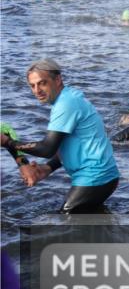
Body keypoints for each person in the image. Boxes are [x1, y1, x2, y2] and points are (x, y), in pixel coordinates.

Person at [0, 59, 119, 213]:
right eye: (32, 86)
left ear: (57, 79)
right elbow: (71, 146)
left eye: (42, 83)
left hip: (96, 178)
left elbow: (47, 148)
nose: (37, 90)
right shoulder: (67, 98)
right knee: (88, 220)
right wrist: (48, 168)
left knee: (64, 224)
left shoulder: (66, 104)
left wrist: (8, 142)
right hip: (101, 177)